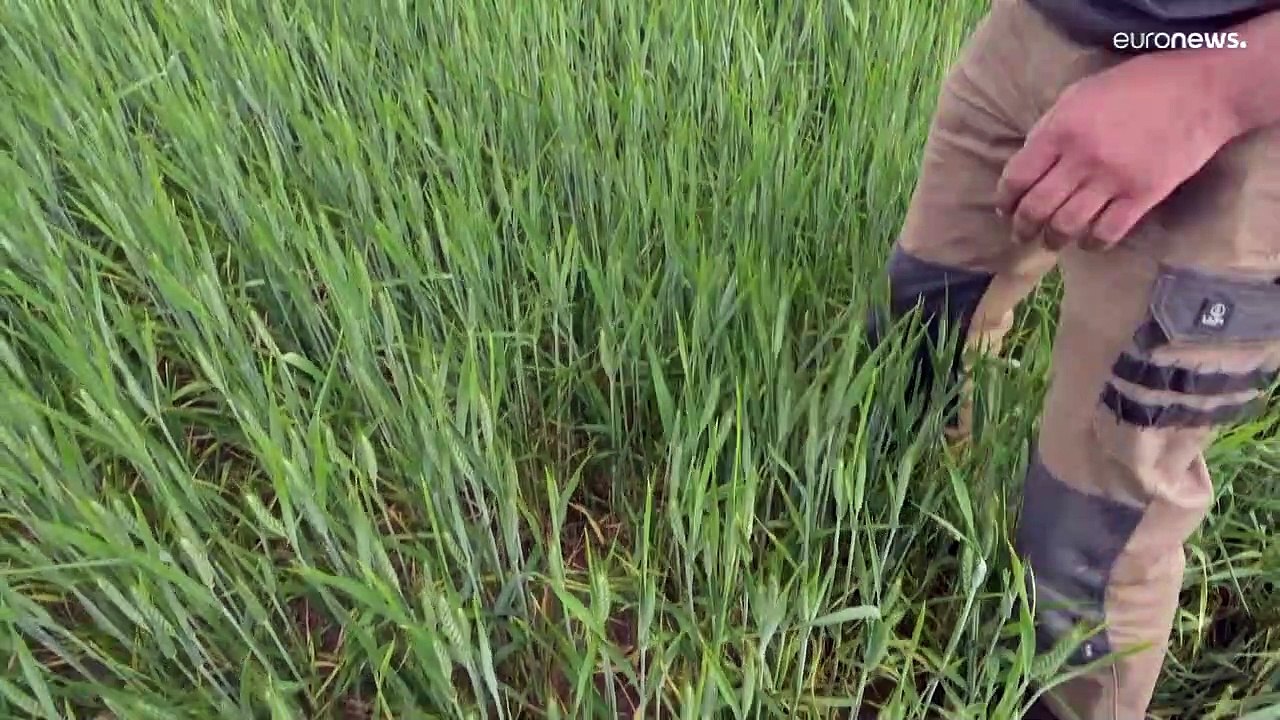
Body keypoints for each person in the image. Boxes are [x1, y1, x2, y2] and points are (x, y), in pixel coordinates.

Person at [869, 1, 1280, 718]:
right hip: (1038, 26)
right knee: (920, 328)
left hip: (1230, 107)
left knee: (1088, 548)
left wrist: (1212, 92)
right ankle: (913, 558)